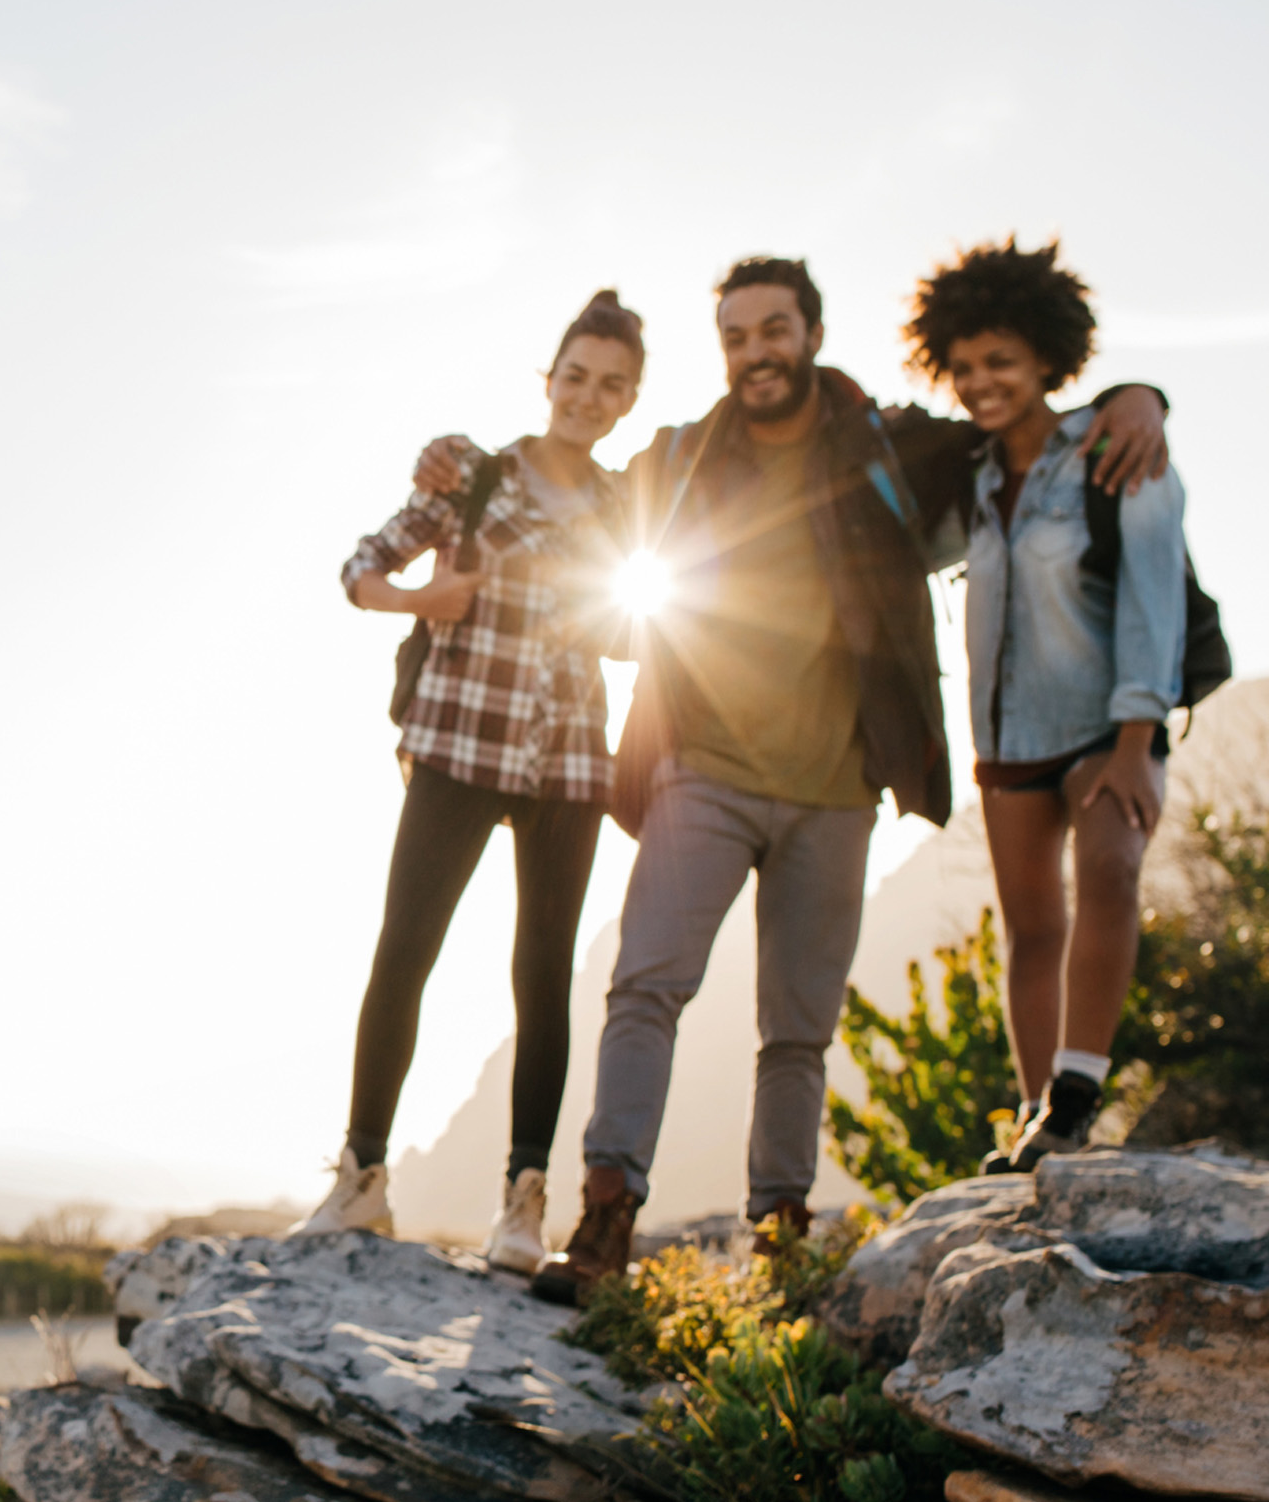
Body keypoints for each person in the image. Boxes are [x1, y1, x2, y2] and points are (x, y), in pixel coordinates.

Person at [410, 258, 1173, 1305]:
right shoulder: (677, 456)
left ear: (809, 332)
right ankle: (603, 1221)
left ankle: (777, 1238)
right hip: (701, 771)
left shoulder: (890, 443)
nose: (756, 350)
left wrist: (1138, 399)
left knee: (797, 1031)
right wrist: (465, 462)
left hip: (835, 787)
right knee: (645, 988)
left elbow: (1022, 421)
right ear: (722, 348)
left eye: (775, 329)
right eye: (736, 335)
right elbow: (574, 503)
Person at [300, 291, 645, 1274]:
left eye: (611, 386)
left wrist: (605, 626)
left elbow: (640, 630)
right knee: (404, 947)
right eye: (575, 376)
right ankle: (362, 1177)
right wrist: (422, 596)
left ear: (627, 402)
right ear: (549, 380)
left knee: (542, 974)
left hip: (570, 758)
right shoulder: (474, 475)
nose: (589, 396)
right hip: (455, 741)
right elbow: (358, 567)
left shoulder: (627, 508)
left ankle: (523, 1206)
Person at [902, 239, 1186, 1172]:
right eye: (969, 365)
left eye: (1004, 362)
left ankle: (1074, 1098)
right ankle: (1036, 1119)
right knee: (1029, 928)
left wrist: (1138, 739)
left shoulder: (1116, 450)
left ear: (1045, 362)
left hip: (1106, 725)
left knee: (1110, 873)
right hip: (1007, 736)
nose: (985, 382)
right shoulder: (970, 480)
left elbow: (1155, 594)